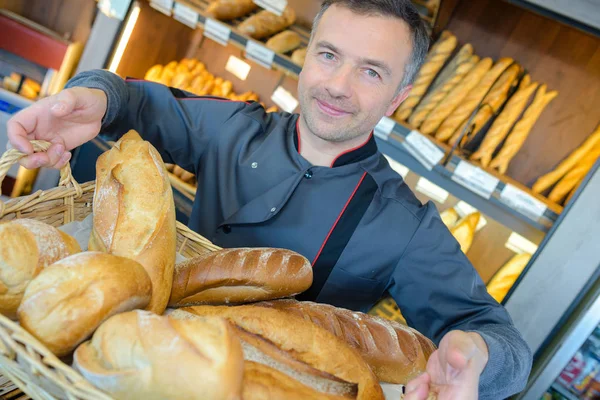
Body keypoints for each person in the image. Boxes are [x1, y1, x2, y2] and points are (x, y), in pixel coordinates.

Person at [7, 0, 532, 398]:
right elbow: (136, 101)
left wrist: (477, 353)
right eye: (328, 56)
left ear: (398, 97)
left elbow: (501, 339)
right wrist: (90, 95)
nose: (338, 86)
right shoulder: (236, 127)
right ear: (306, 59)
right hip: (140, 360)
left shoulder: (401, 224)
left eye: (370, 71)